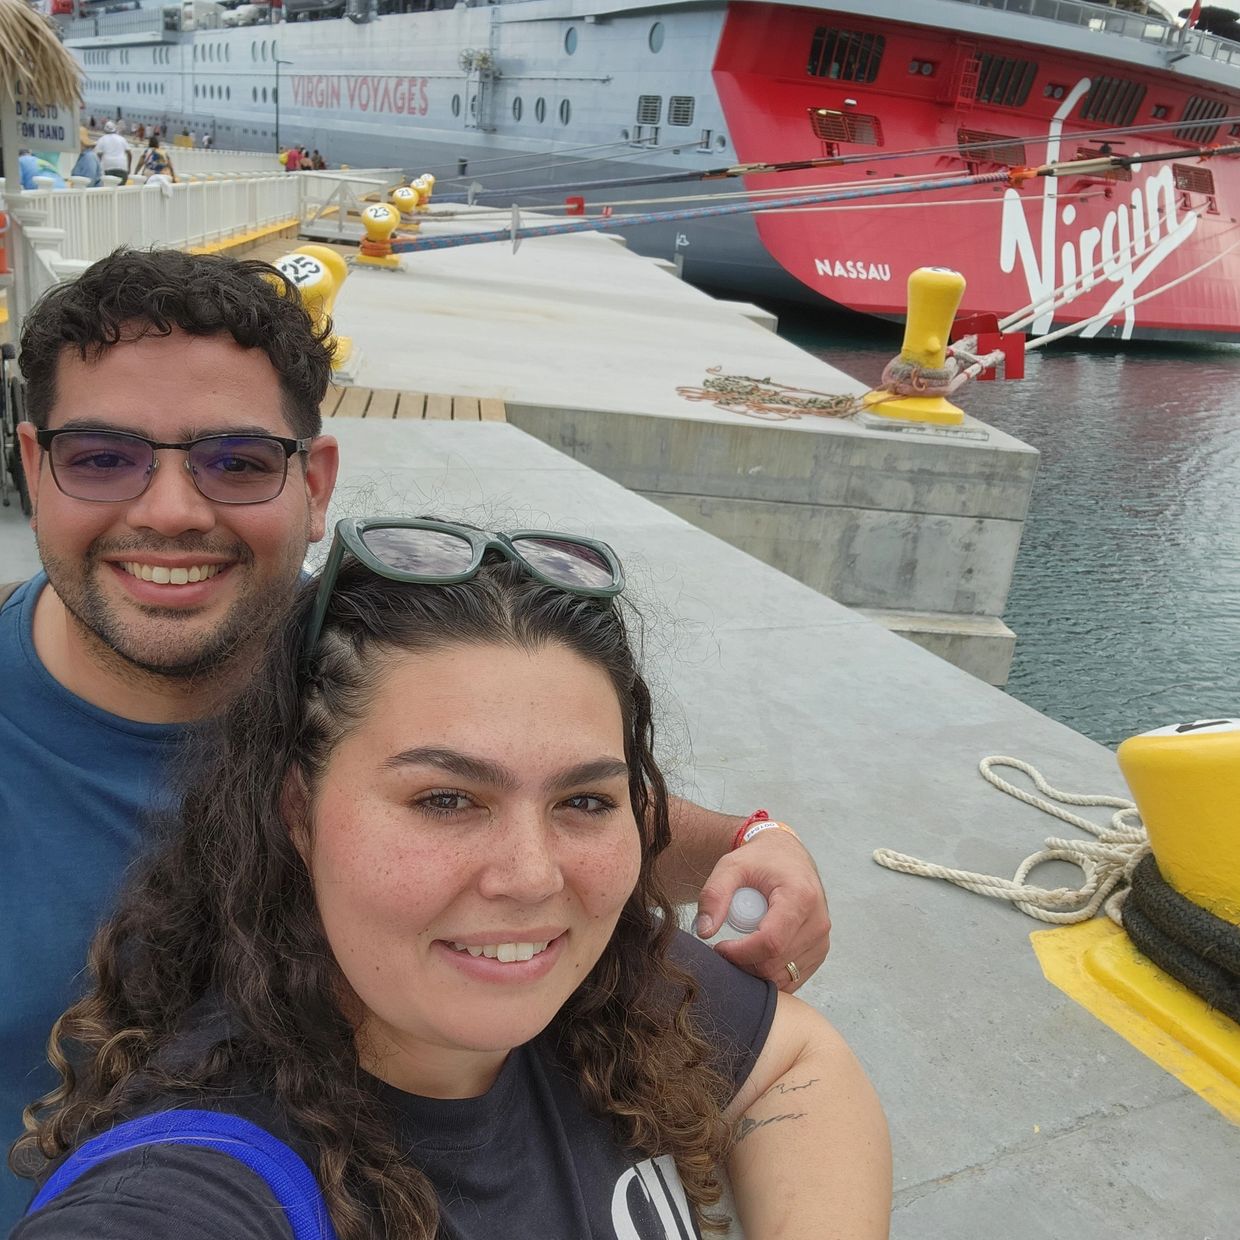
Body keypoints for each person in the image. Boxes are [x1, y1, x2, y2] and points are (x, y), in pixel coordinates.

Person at [0, 249, 829, 1227]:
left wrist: (751, 843)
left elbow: (554, 794)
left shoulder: (371, 662)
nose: (171, 510)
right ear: (31, 465)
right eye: (103, 456)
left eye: (237, 461)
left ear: (315, 484)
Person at [8, 528, 891, 1238]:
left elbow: (794, 1060)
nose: (531, 877)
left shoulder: (600, 1001)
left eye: (584, 799)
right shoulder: (198, 1184)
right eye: (444, 798)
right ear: (297, 813)